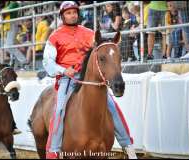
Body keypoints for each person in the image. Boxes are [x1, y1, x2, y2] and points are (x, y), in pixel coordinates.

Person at [42, 1, 137, 159]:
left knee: (113, 108)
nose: (72, 15)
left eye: (74, 12)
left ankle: (128, 148)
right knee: (59, 109)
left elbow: (102, 50)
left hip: (90, 78)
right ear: (62, 16)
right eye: (68, 13)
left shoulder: (88, 33)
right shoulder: (54, 37)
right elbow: (47, 62)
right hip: (68, 78)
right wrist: (64, 70)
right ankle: (53, 151)